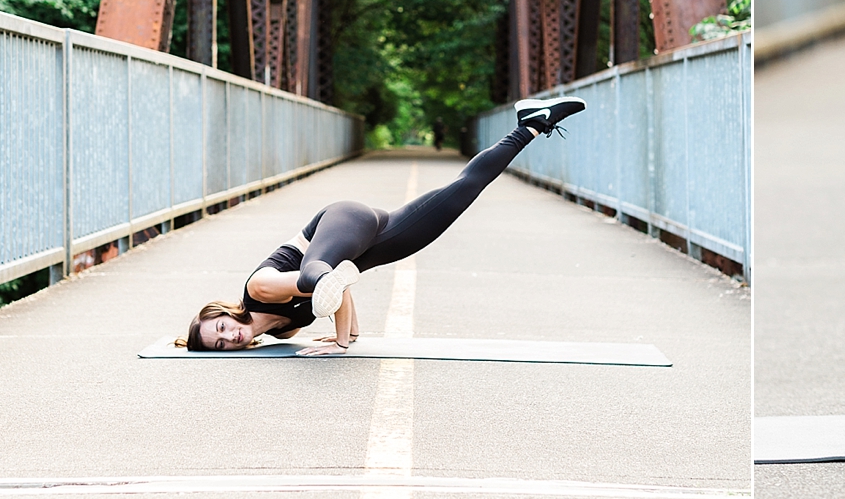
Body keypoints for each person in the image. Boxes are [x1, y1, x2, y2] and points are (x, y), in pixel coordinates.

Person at [177, 95, 585, 354]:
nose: (229, 337)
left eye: (222, 327)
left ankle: (321, 285)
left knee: (316, 274)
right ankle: (530, 124)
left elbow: (330, 277)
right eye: (221, 344)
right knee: (462, 192)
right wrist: (351, 333)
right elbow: (346, 283)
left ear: (224, 313)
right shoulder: (282, 332)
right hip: (365, 248)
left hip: (342, 222)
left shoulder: (257, 291)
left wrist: (338, 345)